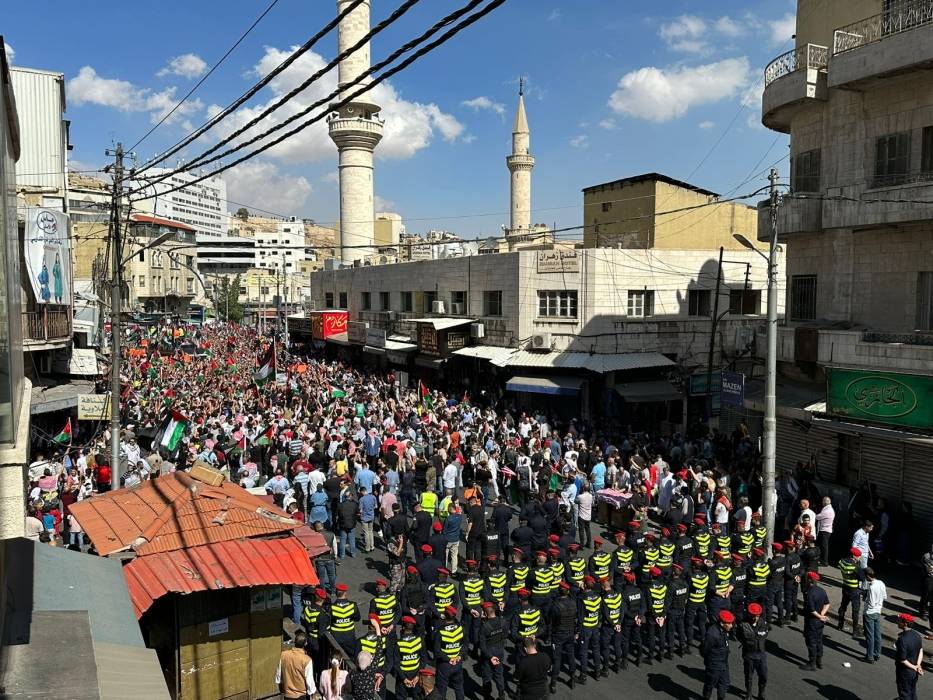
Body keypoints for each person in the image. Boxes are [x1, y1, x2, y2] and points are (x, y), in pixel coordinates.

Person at [735, 603, 768, 700]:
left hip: (761, 654)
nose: (755, 618)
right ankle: (748, 693)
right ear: (749, 615)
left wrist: (752, 637)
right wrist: (746, 642)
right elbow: (738, 635)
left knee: (763, 675)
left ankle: (761, 693)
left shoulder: (763, 623)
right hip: (749, 654)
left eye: (757, 616)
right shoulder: (743, 624)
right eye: (753, 616)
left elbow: (763, 635)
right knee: (748, 675)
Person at [800, 571, 830, 671]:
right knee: (819, 640)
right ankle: (819, 661)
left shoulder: (809, 593)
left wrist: (820, 616)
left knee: (811, 642)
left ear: (809, 580)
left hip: (812, 621)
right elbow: (827, 604)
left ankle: (812, 663)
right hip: (819, 622)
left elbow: (812, 610)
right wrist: (822, 614)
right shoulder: (822, 591)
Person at [434, 606, 465, 700]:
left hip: (444, 665)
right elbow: (465, 645)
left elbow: (437, 651)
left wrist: (449, 659)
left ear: (444, 616)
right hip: (458, 663)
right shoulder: (460, 628)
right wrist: (459, 656)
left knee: (441, 689)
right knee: (459, 687)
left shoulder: (440, 631)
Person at [701, 610, 733, 700]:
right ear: (722, 623)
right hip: (714, 664)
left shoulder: (724, 630)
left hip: (723, 662)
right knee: (710, 684)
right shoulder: (712, 634)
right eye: (729, 623)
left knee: (725, 683)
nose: (731, 626)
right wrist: (709, 662)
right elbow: (705, 649)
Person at [275, 630, 317, 700]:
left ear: (294, 642)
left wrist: (281, 687)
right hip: (301, 695)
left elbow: (279, 673)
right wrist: (313, 693)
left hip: (288, 695)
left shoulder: (284, 655)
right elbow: (309, 679)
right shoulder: (307, 660)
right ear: (305, 643)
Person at [478, 601, 507, 700]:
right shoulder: (503, 621)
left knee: (487, 676)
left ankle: (487, 696)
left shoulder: (484, 627)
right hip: (499, 650)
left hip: (488, 653)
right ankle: (502, 695)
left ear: (485, 614)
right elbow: (505, 635)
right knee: (499, 675)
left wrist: (490, 656)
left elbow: (482, 645)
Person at [894, 613, 924, 700]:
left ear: (905, 624)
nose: (897, 622)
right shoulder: (917, 635)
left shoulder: (902, 640)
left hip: (905, 672)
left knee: (905, 694)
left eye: (899, 621)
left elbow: (903, 660)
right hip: (913, 673)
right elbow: (920, 650)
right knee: (912, 692)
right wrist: (918, 665)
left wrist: (914, 667)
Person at [837, 547, 865, 636]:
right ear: (853, 556)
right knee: (855, 610)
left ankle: (840, 625)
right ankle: (855, 631)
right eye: (858, 556)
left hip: (845, 586)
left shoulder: (841, 561)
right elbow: (862, 578)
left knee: (843, 606)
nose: (859, 558)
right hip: (854, 590)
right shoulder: (855, 567)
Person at [862, 567, 886, 663]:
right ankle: (877, 654)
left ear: (868, 576)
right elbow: (884, 596)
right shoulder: (881, 583)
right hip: (878, 611)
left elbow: (871, 603)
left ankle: (870, 656)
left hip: (870, 612)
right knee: (877, 634)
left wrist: (865, 599)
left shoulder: (872, 587)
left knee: (870, 636)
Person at [314, 521, 337, 595]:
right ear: (322, 526)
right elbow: (334, 546)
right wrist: (335, 555)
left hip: (319, 559)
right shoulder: (331, 534)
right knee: (332, 576)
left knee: (321, 577)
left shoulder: (315, 535)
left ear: (316, 527)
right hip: (330, 558)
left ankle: (323, 592)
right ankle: (333, 591)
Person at [815, 496, 834, 566]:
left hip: (825, 530)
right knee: (823, 546)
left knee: (824, 546)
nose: (822, 502)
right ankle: (822, 559)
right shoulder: (828, 509)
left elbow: (818, 517)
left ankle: (824, 561)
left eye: (823, 501)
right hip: (825, 530)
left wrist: (813, 514)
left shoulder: (827, 510)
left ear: (825, 502)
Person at [576, 483, 593, 549]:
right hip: (588, 516)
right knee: (588, 530)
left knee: (581, 531)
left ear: (583, 488)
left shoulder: (580, 496)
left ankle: (582, 545)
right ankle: (588, 543)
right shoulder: (591, 496)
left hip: (582, 516)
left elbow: (575, 501)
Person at [921, 543, 933, 640]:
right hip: (929, 579)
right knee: (926, 595)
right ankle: (923, 611)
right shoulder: (927, 557)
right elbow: (929, 570)